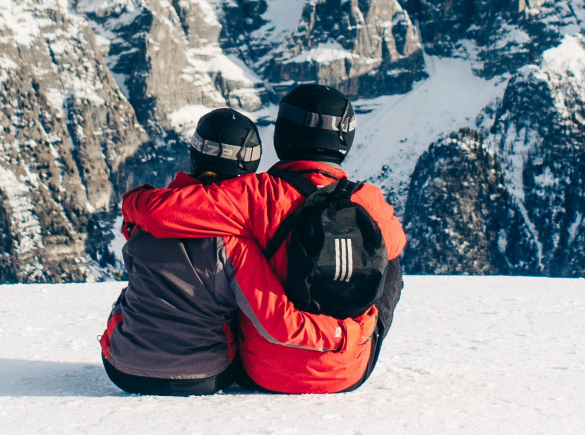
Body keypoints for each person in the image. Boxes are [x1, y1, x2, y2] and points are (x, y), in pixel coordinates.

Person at [121, 84, 405, 394]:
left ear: (283, 134)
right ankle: (352, 346)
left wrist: (138, 197)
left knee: (233, 257)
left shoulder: (255, 194)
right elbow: (396, 243)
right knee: (390, 263)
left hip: (265, 372)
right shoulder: (369, 200)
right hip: (350, 368)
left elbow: (160, 213)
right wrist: (350, 331)